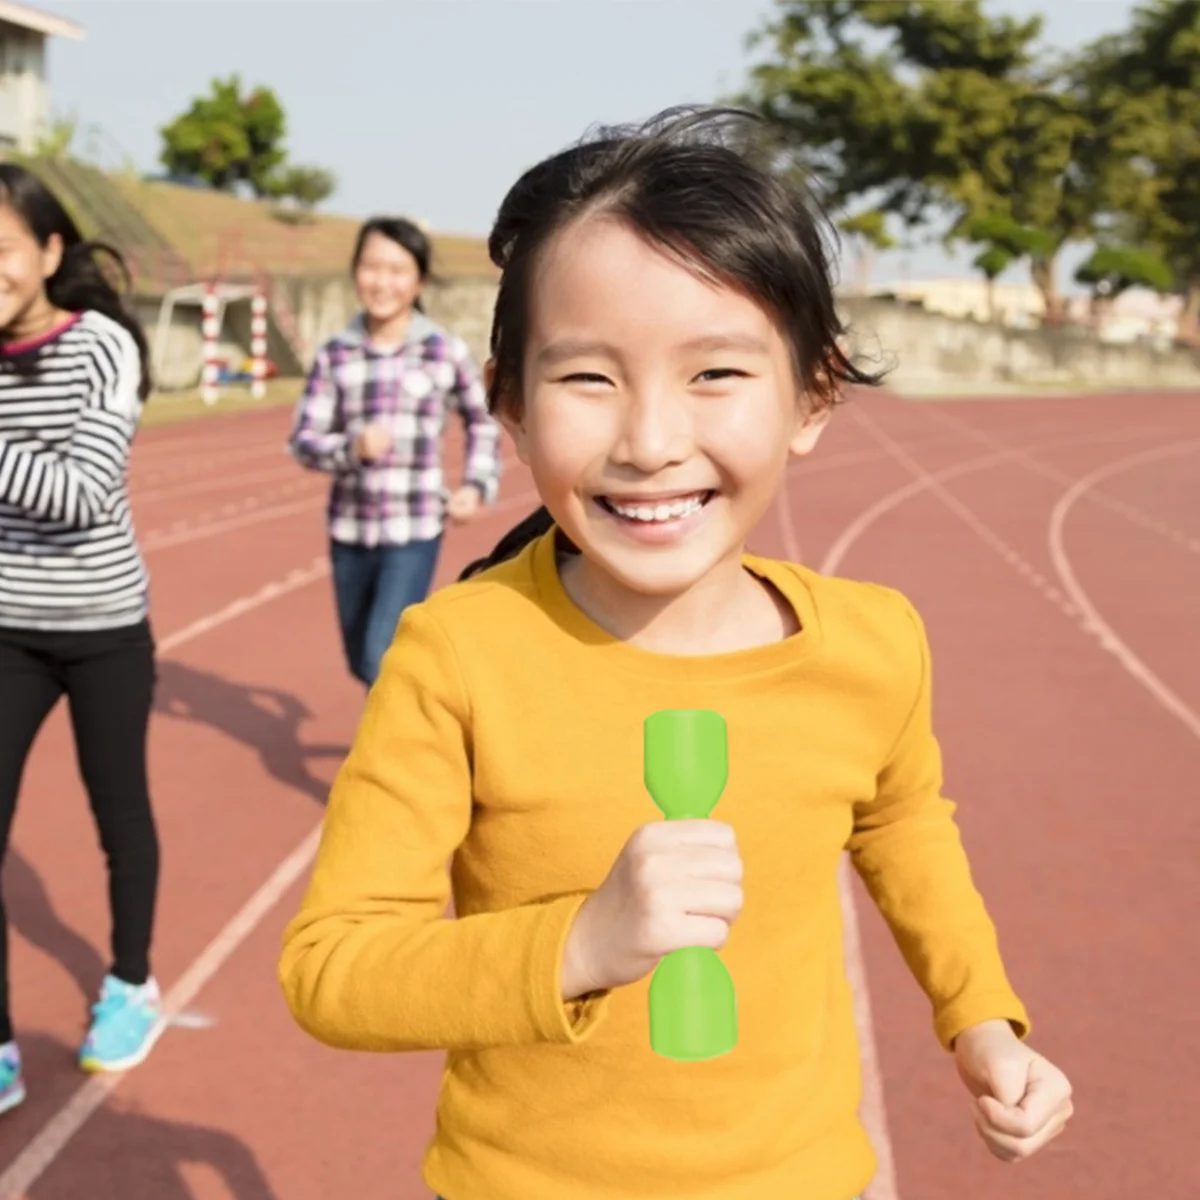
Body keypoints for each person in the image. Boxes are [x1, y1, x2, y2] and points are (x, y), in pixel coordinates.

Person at [278, 108, 1073, 1199]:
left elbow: (901, 820)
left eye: (716, 375)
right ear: (508, 402)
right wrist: (575, 946)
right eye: (588, 379)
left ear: (814, 396)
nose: (650, 442)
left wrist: (981, 1017)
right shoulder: (458, 656)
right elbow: (335, 968)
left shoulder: (874, 644)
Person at [0, 165, 163, 1114]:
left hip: (102, 626)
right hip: (5, 630)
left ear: (50, 251)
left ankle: (129, 983)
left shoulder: (102, 347)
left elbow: (77, 496)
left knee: (118, 813)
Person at [287, 216, 502, 688]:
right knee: (360, 657)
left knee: (377, 655)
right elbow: (303, 441)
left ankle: (401, 752)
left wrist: (475, 484)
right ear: (355, 272)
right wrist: (352, 448)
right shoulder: (335, 355)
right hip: (350, 527)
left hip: (414, 526)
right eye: (371, 267)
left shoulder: (441, 351)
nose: (382, 281)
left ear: (418, 280)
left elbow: (483, 417)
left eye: (397, 270)